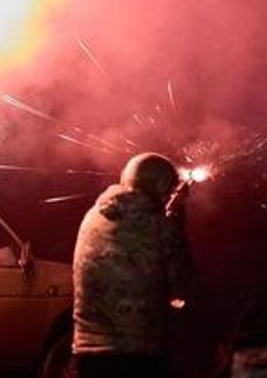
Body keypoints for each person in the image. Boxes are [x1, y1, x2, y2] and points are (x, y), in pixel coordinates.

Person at [71, 152, 196, 378]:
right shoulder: (162, 227)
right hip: (141, 354)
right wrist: (177, 221)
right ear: (159, 186)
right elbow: (183, 284)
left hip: (87, 352)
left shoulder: (92, 217)